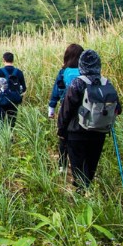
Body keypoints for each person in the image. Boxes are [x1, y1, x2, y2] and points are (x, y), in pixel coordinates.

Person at [57, 49, 122, 189]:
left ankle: (81, 192)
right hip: (99, 131)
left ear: (81, 65)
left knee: (78, 164)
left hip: (76, 132)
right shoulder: (106, 83)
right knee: (91, 163)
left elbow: (66, 110)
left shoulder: (77, 83)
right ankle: (87, 187)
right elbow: (118, 108)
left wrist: (61, 130)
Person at [47, 44, 84, 172]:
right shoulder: (85, 73)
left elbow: (56, 91)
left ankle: (62, 166)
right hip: (84, 111)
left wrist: (51, 107)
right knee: (79, 138)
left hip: (66, 109)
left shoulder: (63, 72)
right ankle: (79, 169)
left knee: (63, 137)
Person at [0, 52, 26, 127]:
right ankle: (10, 136)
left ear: (4, 60)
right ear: (13, 60)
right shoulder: (19, 72)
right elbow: (24, 88)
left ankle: (2, 138)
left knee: (0, 124)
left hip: (1, 102)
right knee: (11, 124)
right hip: (14, 102)